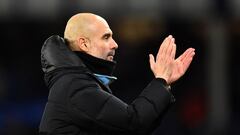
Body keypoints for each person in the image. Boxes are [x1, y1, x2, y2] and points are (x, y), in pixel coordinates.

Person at [39, 13, 195, 135]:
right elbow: (134, 123)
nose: (115, 44)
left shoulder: (73, 82)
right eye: (106, 37)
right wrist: (161, 80)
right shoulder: (75, 86)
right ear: (84, 43)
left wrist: (164, 83)